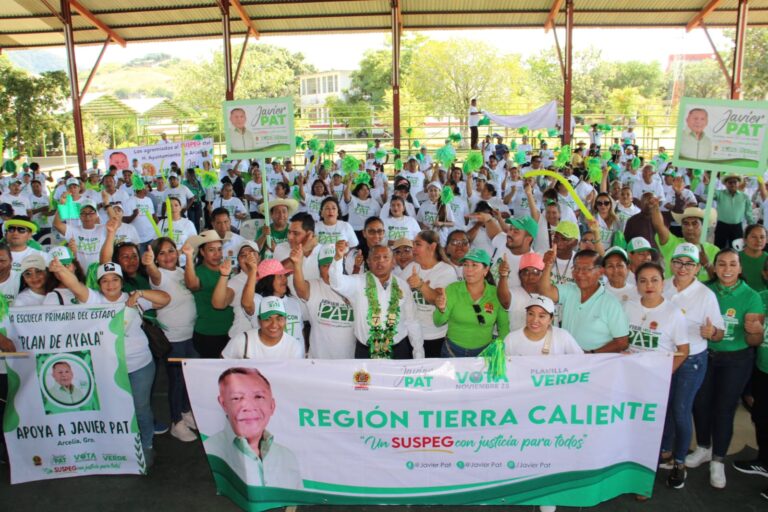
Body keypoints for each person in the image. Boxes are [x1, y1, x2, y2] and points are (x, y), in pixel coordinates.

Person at [50, 260, 170, 466]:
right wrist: (60, 270)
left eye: (115, 279)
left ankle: (147, 444)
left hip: (139, 365)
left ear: (122, 281)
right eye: (104, 280)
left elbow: (165, 299)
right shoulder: (93, 299)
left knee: (141, 408)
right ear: (98, 284)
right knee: (113, 407)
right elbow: (75, 286)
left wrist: (139, 294)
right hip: (107, 368)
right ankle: (118, 445)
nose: (110, 284)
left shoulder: (132, 298)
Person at [688, 249, 764, 489]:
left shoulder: (752, 296)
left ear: (741, 268)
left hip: (736, 360)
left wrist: (755, 332)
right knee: (700, 404)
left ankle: (718, 460)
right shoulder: (704, 290)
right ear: (715, 266)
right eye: (722, 264)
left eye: (733, 264)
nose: (727, 268)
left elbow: (754, 341)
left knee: (724, 409)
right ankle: (703, 448)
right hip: (705, 356)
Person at [204, 368, 301, 488]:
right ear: (223, 404)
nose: (249, 407)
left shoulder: (287, 456)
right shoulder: (212, 451)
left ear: (272, 405)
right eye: (237, 398)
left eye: (258, 397)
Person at [143, 238, 199, 443]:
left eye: (171, 251)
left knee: (187, 379)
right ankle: (176, 422)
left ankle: (185, 412)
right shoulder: (159, 276)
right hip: (173, 338)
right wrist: (149, 265)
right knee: (175, 381)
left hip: (190, 335)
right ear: (156, 258)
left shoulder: (181, 272)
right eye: (162, 253)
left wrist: (188, 257)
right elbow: (154, 275)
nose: (168, 256)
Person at [330, 241, 424, 359]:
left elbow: (412, 321)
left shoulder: (403, 285)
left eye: (386, 258)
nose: (381, 261)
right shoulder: (357, 282)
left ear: (393, 262)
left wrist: (418, 352)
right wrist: (338, 258)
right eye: (376, 258)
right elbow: (337, 283)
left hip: (398, 351)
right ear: (368, 262)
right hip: (366, 352)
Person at [539, 248, 629, 353]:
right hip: (567, 358)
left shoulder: (610, 303)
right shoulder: (570, 290)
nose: (580, 274)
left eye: (586, 269)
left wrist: (590, 354)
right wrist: (548, 265)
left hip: (594, 364)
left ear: (600, 272)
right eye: (576, 268)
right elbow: (545, 292)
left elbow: (622, 342)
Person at [433, 248, 509, 357]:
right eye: (465, 265)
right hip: (452, 352)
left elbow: (504, 327)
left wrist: (501, 351)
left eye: (474, 265)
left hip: (485, 354)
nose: (468, 270)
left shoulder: (495, 294)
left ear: (486, 270)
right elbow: (438, 322)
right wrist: (441, 309)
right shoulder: (452, 289)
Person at [293, 244, 355, 359]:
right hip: (318, 362)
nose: (331, 269)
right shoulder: (314, 286)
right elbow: (300, 289)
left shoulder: (352, 285)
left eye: (333, 264)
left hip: (348, 362)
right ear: (319, 269)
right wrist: (297, 265)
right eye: (325, 265)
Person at [403, 231, 458, 357]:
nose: (413, 248)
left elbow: (439, 300)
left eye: (418, 244)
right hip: (411, 334)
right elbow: (396, 289)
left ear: (432, 247)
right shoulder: (413, 266)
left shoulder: (446, 270)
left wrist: (421, 285)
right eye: (413, 244)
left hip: (435, 336)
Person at [182, 230, 234, 358]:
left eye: (219, 249)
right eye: (211, 250)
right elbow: (192, 285)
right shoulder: (198, 272)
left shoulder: (227, 270)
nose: (217, 254)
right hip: (208, 334)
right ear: (202, 252)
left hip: (231, 332)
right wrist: (189, 257)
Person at [651, 203, 718, 281]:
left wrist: (707, 265)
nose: (689, 227)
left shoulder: (714, 250)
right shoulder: (672, 243)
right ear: (681, 227)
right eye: (685, 224)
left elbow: (718, 280)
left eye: (694, 223)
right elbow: (659, 226)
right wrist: (655, 207)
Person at [222, 296, 304, 359]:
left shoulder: (293, 346)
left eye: (279, 319)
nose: (274, 325)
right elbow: (221, 366)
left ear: (285, 320)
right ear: (259, 321)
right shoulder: (242, 340)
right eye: (267, 319)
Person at [504, 294, 583, 356]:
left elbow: (581, 360)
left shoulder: (562, 337)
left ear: (550, 319)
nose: (535, 320)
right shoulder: (511, 340)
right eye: (531, 314)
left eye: (541, 316)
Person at [498, 252, 546, 332]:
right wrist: (503, 275)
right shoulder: (514, 292)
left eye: (535, 272)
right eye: (526, 272)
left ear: (543, 274)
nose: (530, 276)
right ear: (519, 275)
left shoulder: (548, 294)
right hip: (517, 342)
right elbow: (505, 301)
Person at [714, 174, 754, 249]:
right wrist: (707, 184)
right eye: (730, 182)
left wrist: (752, 226)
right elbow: (709, 195)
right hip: (722, 226)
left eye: (734, 182)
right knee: (718, 248)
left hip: (737, 228)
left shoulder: (744, 197)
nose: (732, 184)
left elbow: (749, 213)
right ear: (725, 184)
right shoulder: (719, 194)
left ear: (738, 183)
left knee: (737, 250)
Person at [740, 224, 767, 291]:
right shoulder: (735, 258)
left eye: (762, 237)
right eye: (754, 237)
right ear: (745, 239)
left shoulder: (767, 259)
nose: (759, 240)